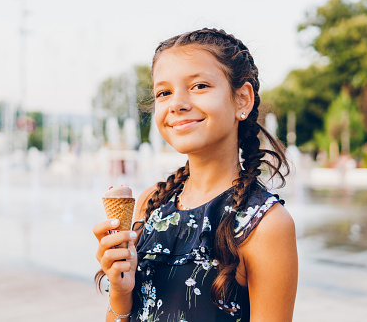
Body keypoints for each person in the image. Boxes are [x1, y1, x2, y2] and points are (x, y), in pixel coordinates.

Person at [93, 28, 298, 322]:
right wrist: (120, 293)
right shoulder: (151, 202)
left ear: (242, 99)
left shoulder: (265, 224)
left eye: (200, 86)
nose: (177, 103)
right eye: (164, 92)